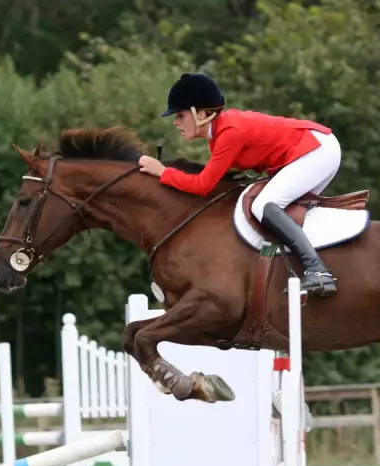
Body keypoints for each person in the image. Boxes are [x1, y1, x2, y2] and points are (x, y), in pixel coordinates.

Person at [138, 72, 340, 298]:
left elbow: (202, 185)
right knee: (276, 214)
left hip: (315, 149)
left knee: (263, 206)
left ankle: (318, 271)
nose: (176, 122)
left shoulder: (229, 133)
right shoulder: (220, 135)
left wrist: (163, 172)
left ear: (201, 114)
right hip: (313, 149)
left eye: (180, 115)